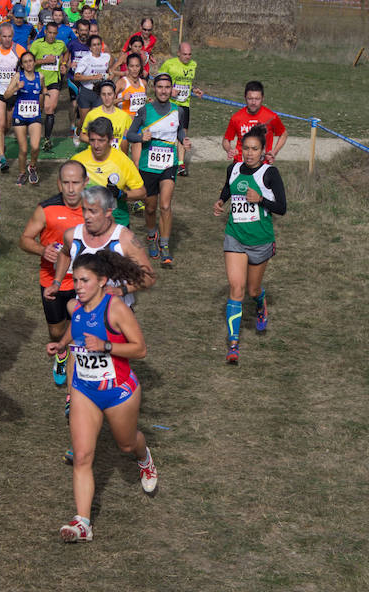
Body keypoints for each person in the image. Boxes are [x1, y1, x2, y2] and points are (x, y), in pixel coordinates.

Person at [46, 247, 157, 543]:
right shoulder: (77, 309)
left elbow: (140, 349)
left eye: (84, 281)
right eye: (75, 280)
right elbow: (77, 328)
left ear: (101, 281)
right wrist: (61, 344)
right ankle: (82, 523)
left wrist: (107, 347)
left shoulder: (115, 308)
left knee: (126, 444)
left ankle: (144, 457)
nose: (77, 287)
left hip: (119, 392)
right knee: (82, 456)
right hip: (85, 389)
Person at [212, 125, 287, 364]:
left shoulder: (270, 173)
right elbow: (229, 187)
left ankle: (261, 302)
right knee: (237, 289)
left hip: (260, 241)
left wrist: (261, 199)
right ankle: (233, 344)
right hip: (235, 236)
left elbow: (282, 208)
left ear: (264, 150)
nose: (250, 153)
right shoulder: (233, 169)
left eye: (255, 149)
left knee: (252, 290)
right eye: (246, 148)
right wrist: (221, 200)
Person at [19, 160, 88, 387]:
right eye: (66, 183)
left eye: (76, 183)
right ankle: (61, 353)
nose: (70, 188)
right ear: (59, 184)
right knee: (56, 330)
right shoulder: (46, 209)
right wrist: (42, 249)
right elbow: (25, 239)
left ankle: (80, 371)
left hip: (84, 283)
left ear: (85, 183)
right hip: (52, 282)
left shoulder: (93, 209)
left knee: (81, 329)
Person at [125, 72, 191, 268]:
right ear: (155, 88)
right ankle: (151, 234)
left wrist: (182, 139)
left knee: (165, 205)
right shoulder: (145, 111)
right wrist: (141, 138)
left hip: (168, 164)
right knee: (151, 207)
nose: (164, 91)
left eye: (167, 87)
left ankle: (164, 245)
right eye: (160, 87)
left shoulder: (178, 110)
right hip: (148, 165)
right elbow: (130, 134)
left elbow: (178, 130)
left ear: (172, 90)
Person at [72, 117, 146, 227]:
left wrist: (121, 194)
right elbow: (62, 184)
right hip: (85, 223)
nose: (96, 146)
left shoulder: (123, 161)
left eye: (101, 140)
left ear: (111, 140)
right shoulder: (78, 161)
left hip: (117, 224)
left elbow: (142, 192)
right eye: (92, 140)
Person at [0, 24, 26, 172]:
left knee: (8, 125)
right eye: (4, 36)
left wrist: (24, 81)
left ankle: (1, 142)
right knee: (0, 123)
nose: (7, 39)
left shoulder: (19, 50)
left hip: (14, 92)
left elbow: (27, 66)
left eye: (10, 36)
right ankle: (2, 157)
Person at [160, 42, 203, 176]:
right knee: (167, 132)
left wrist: (194, 89)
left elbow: (189, 82)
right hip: (170, 104)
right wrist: (169, 90)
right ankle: (163, 161)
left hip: (184, 105)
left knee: (183, 134)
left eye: (189, 54)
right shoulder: (169, 64)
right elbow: (158, 81)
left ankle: (180, 164)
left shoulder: (193, 65)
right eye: (184, 54)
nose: (187, 57)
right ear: (178, 53)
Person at [222, 81, 288, 165]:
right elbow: (226, 139)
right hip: (240, 164)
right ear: (245, 98)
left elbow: (284, 134)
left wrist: (274, 152)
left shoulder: (271, 117)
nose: (253, 103)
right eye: (250, 99)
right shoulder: (236, 118)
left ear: (263, 98)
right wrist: (229, 150)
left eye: (257, 99)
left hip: (262, 165)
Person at [4, 51, 44, 185]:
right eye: (25, 62)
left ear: (34, 62)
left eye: (30, 61)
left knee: (35, 146)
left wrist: (42, 104)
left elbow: (42, 91)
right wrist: (16, 87)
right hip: (20, 116)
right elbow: (6, 95)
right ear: (22, 64)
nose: (28, 64)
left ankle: (32, 166)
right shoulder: (18, 76)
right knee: (24, 149)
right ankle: (22, 173)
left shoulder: (40, 76)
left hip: (34, 116)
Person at [29, 21, 68, 152]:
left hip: (53, 81)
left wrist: (63, 63)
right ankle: (35, 136)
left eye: (54, 33)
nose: (51, 36)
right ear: (45, 32)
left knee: (50, 108)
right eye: (49, 32)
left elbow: (66, 52)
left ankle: (47, 139)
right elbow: (29, 62)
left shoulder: (60, 44)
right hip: (39, 81)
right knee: (38, 109)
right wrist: (44, 61)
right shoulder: (37, 44)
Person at [80, 80, 131, 154]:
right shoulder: (92, 114)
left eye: (109, 94)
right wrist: (98, 142)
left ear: (114, 95)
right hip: (97, 155)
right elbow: (82, 135)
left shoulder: (124, 116)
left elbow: (134, 134)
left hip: (116, 156)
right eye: (103, 94)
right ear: (100, 95)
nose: (107, 98)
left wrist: (129, 136)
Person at [72, 35, 111, 126]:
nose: (97, 47)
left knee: (94, 120)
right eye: (94, 45)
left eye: (98, 44)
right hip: (86, 92)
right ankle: (77, 131)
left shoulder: (106, 57)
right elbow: (76, 77)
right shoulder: (85, 60)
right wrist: (93, 77)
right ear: (90, 47)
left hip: (99, 92)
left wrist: (110, 75)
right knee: (84, 122)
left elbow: (110, 70)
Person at [64, 18, 91, 145]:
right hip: (73, 78)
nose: (84, 33)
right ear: (78, 31)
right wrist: (67, 64)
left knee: (85, 106)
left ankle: (82, 128)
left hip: (86, 80)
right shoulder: (72, 43)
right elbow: (66, 56)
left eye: (86, 30)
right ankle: (72, 125)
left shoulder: (92, 44)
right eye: (81, 30)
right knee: (74, 104)